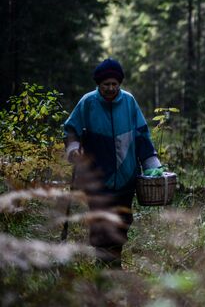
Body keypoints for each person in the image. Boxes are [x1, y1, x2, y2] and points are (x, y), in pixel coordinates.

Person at [64, 58, 162, 268]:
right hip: (97, 179)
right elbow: (71, 129)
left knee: (122, 222)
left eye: (114, 84)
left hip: (126, 177)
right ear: (98, 85)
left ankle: (114, 261)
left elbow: (142, 135)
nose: (110, 88)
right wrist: (73, 149)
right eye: (106, 84)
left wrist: (152, 166)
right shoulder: (87, 103)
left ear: (119, 84)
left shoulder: (129, 102)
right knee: (100, 223)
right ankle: (103, 264)